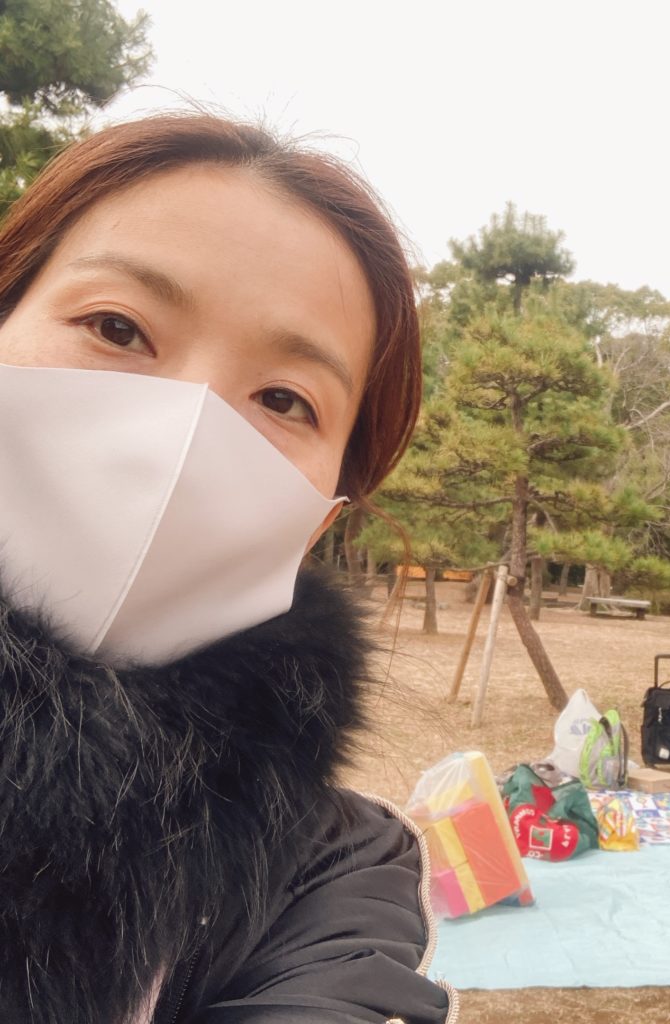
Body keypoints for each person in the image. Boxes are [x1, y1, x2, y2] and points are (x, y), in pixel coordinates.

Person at [0, 115, 454, 1024]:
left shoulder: (336, 871)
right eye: (117, 327)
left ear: (319, 520)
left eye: (285, 399)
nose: (184, 424)